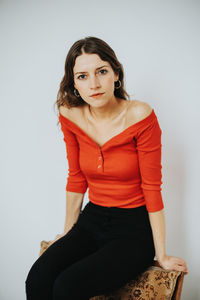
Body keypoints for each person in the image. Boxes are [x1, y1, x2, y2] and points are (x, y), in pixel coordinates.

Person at [25, 36, 188, 300]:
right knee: (38, 279)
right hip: (92, 220)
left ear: (116, 74)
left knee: (67, 287)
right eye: (82, 76)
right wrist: (67, 235)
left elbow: (152, 188)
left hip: (133, 230)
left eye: (101, 71)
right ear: (74, 83)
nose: (94, 84)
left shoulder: (140, 115)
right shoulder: (70, 114)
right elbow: (76, 179)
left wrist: (162, 255)